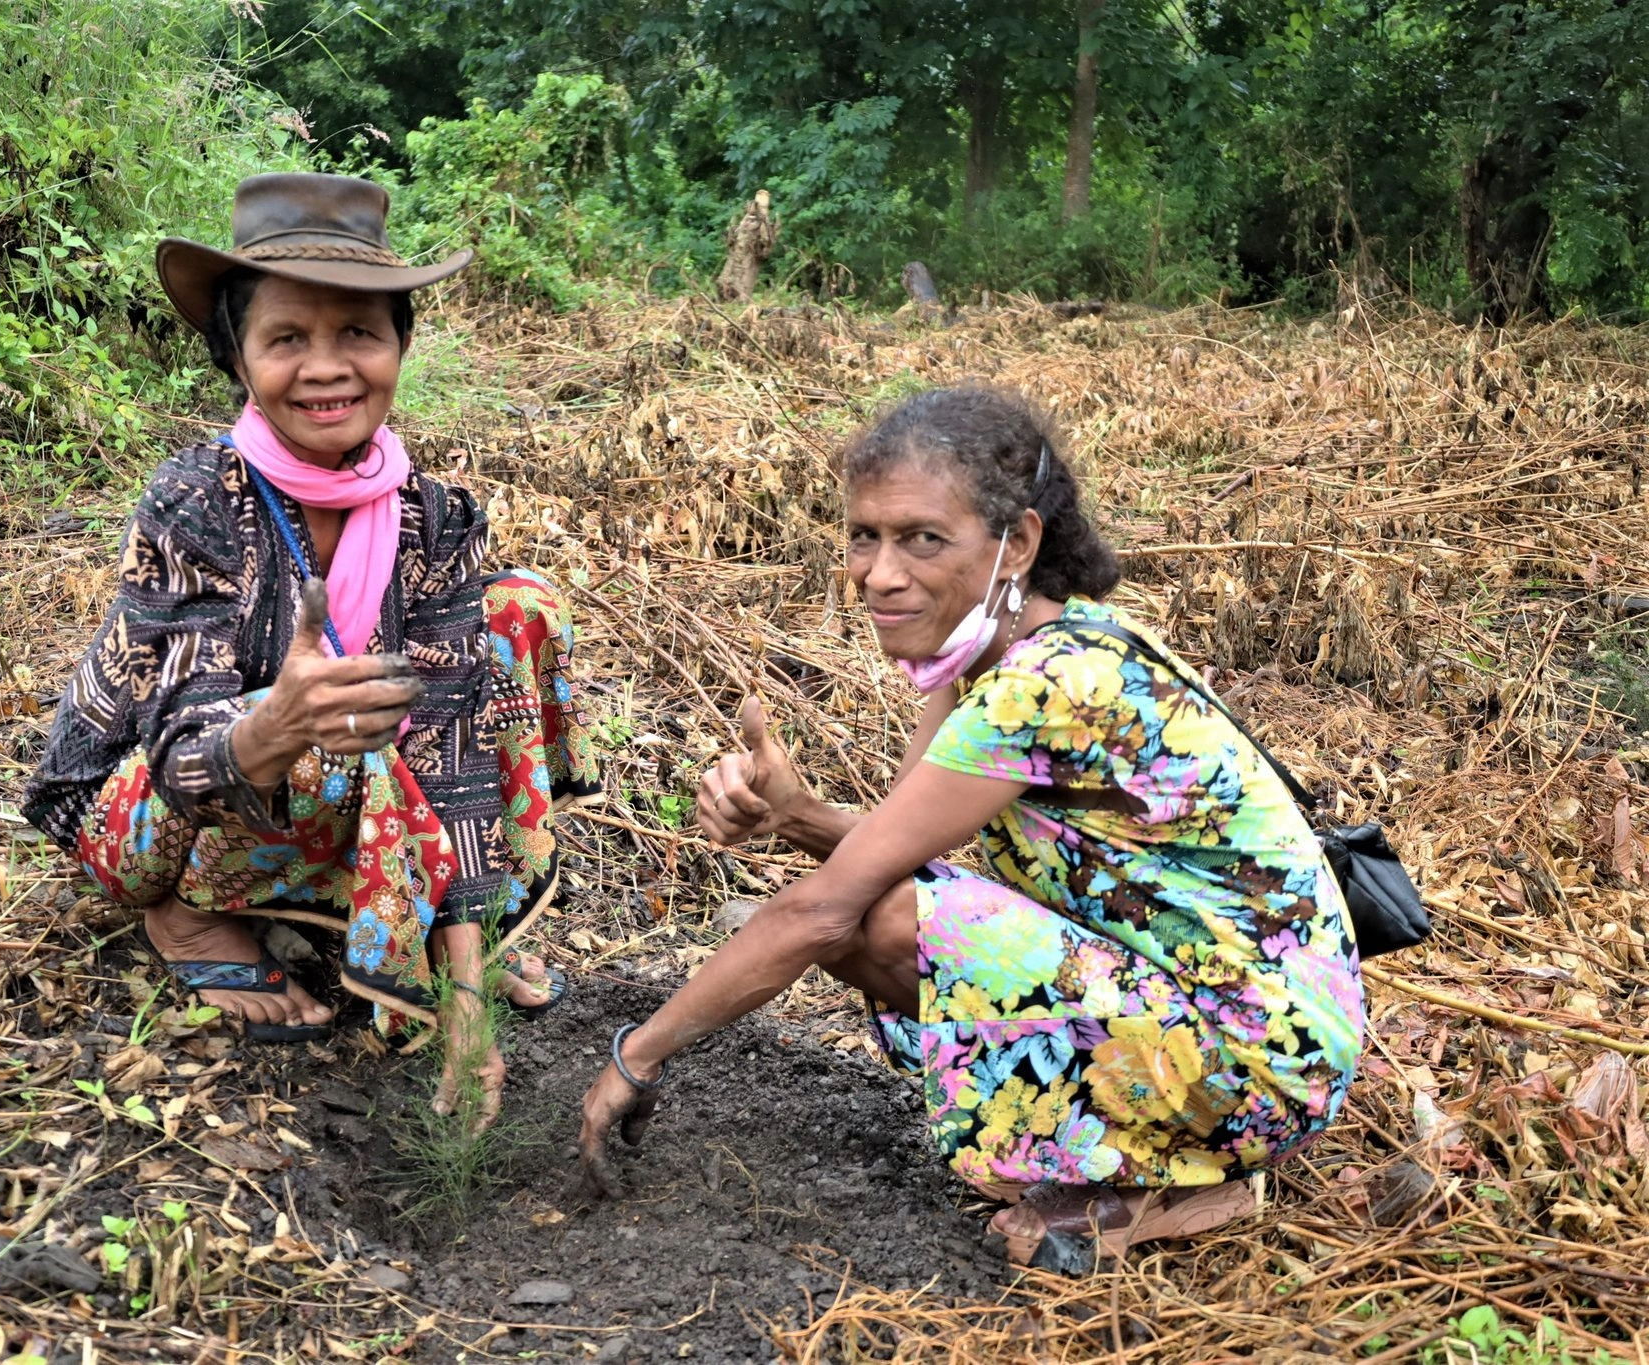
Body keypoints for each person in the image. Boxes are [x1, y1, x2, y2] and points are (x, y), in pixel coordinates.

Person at [575, 387, 1363, 1264]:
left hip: (1259, 1063)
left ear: (1017, 543)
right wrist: (794, 816)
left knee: (884, 922)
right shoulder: (1003, 654)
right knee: (891, 909)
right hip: (1238, 1024)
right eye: (863, 535)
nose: (878, 572)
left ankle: (1165, 1174)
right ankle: (1142, 1148)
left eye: (923, 538)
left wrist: (638, 1054)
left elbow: (830, 910)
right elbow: (894, 850)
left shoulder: (1038, 691)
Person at [26, 173, 599, 1123]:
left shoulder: (436, 517)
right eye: (287, 338)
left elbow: (451, 755)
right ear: (240, 359)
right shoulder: (196, 502)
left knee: (513, 614)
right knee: (327, 716)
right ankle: (190, 916)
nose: (326, 367)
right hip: (148, 811)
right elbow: (176, 740)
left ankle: (385, 927)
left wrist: (464, 999)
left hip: (314, 789)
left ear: (401, 346)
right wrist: (278, 722)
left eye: (358, 334)